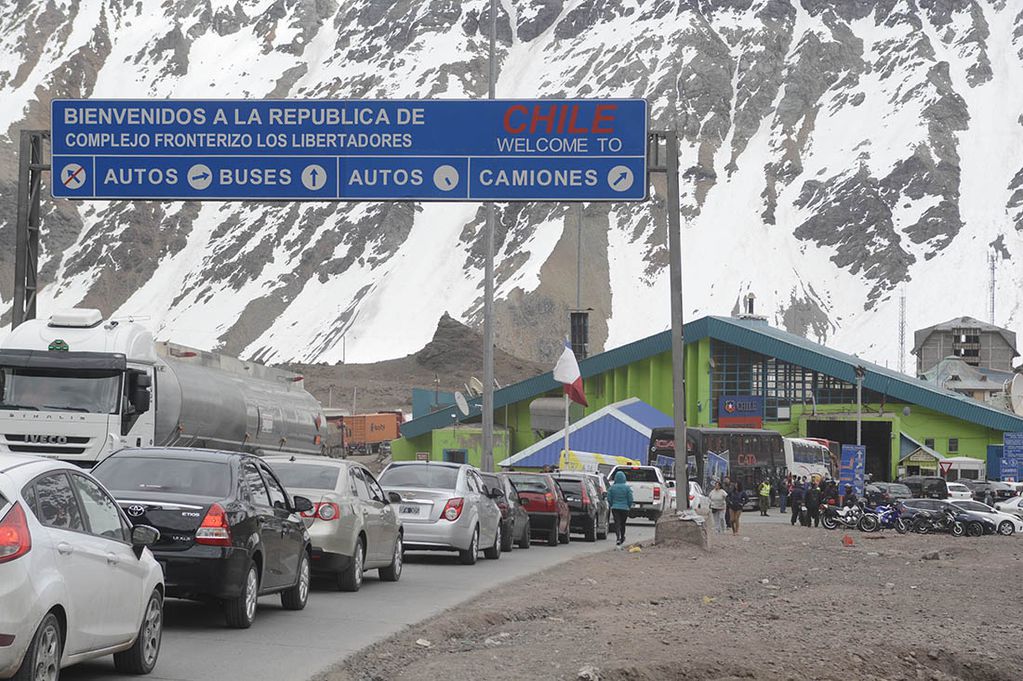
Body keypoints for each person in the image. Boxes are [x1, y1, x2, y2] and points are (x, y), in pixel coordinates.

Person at [607, 470, 634, 548]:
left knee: (617, 523)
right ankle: (622, 537)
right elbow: (630, 499)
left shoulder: (612, 488)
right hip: (625, 508)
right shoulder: (627, 488)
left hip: (615, 508)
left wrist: (612, 504)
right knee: (623, 523)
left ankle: (618, 538)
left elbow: (609, 498)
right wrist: (628, 506)